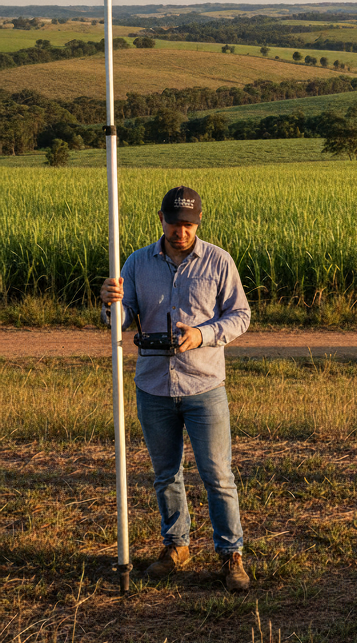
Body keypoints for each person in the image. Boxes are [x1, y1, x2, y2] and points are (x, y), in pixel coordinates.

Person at [100, 186, 252, 590]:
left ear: (198, 222)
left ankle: (231, 554)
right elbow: (122, 322)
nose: (181, 231)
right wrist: (110, 303)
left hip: (204, 385)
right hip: (153, 386)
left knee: (217, 475)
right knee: (166, 474)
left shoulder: (219, 262)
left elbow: (241, 316)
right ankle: (176, 546)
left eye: (188, 224)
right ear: (161, 219)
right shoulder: (135, 263)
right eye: (174, 222)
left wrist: (200, 336)